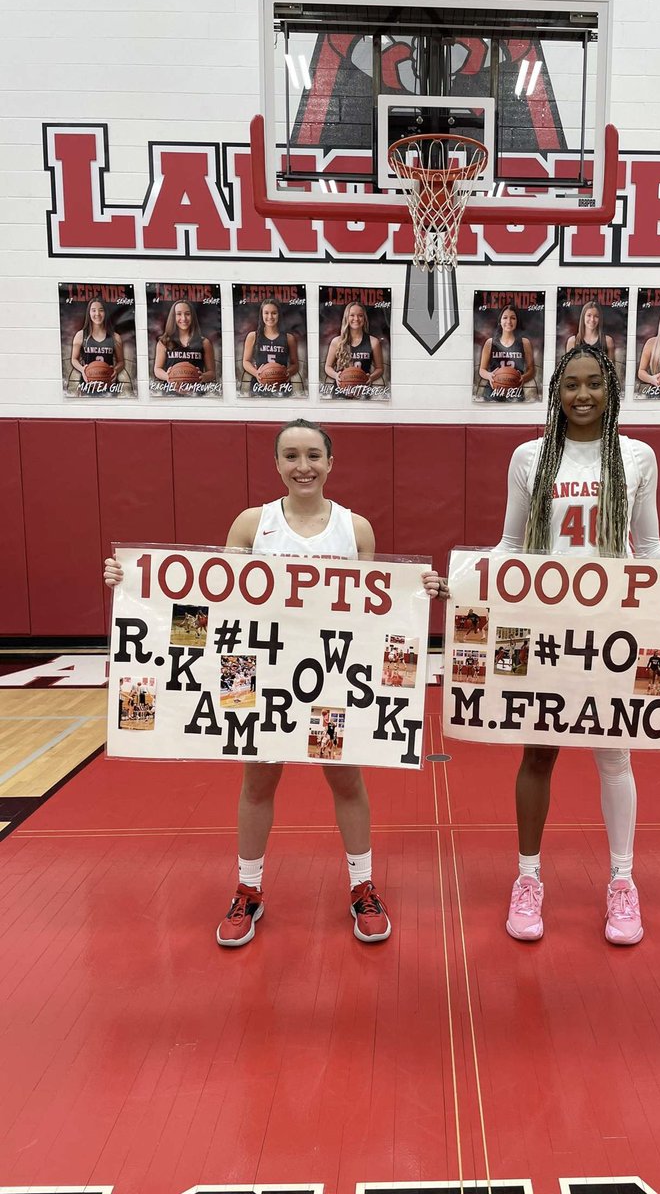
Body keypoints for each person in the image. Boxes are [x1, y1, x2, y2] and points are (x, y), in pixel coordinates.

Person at [104, 418, 445, 949]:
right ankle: (249, 889)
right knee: (258, 783)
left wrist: (416, 591)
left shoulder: (355, 530)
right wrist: (135, 582)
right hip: (257, 676)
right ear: (277, 464)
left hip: (329, 676)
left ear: (331, 463)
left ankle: (362, 886)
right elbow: (214, 598)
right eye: (291, 456)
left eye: (313, 455)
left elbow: (374, 610)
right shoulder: (251, 524)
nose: (302, 466)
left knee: (346, 781)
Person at [494, 343, 660, 946]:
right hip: (545, 624)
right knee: (538, 755)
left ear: (611, 390)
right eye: (570, 385)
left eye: (594, 384)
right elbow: (510, 545)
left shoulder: (636, 457)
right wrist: (456, 580)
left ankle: (622, 881)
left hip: (613, 626)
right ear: (555, 394)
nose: (582, 395)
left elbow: (648, 550)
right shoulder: (529, 456)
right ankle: (528, 877)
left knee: (614, 757)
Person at [242, 298, 302, 396]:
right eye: (266, 313)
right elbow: (246, 361)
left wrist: (287, 372)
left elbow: (295, 364)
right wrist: (257, 373)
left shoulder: (289, 338)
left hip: (282, 387)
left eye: (274, 313)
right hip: (258, 386)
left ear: (279, 315)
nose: (270, 316)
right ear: (261, 315)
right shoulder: (253, 336)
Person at [153, 300, 216, 393]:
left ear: (192, 316)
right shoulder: (164, 342)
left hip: (196, 395)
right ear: (173, 317)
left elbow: (212, 373)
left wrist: (202, 377)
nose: (183, 318)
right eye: (179, 314)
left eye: (187, 314)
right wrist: (167, 376)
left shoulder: (204, 342)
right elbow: (157, 369)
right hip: (171, 395)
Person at [478, 304, 536, 399]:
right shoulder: (490, 343)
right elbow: (482, 370)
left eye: (513, 318)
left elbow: (531, 370)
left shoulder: (525, 343)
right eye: (505, 317)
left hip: (515, 392)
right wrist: (489, 375)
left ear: (517, 321)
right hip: (493, 392)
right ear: (500, 321)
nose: (508, 321)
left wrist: (523, 377)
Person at [323, 302, 384, 389]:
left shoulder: (373, 342)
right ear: (346, 318)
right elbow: (328, 367)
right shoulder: (336, 341)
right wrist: (336, 375)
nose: (356, 318)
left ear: (364, 318)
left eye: (360, 315)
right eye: (352, 315)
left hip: (363, 390)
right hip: (340, 391)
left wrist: (371, 377)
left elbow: (380, 369)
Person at [70, 298, 124, 394]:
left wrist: (115, 369)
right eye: (93, 310)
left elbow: (121, 362)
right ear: (89, 313)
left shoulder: (115, 337)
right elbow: (74, 359)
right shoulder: (81, 335)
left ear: (105, 313)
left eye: (101, 310)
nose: (97, 314)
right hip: (87, 382)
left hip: (109, 384)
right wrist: (82, 369)